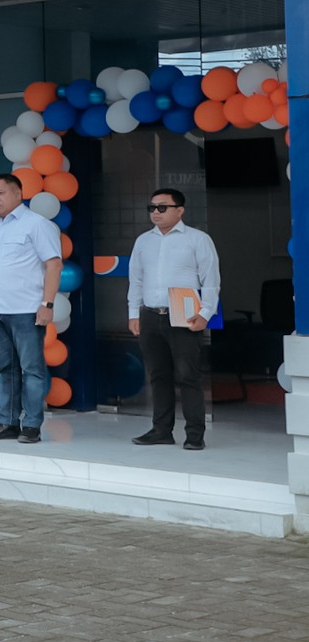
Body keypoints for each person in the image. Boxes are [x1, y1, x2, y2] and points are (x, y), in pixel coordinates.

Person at [127, 187, 221, 451]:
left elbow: (211, 281)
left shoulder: (198, 239)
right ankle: (161, 430)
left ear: (180, 210)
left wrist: (205, 314)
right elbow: (136, 280)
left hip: (183, 314)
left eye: (162, 207)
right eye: (152, 208)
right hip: (150, 313)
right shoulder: (143, 241)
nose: (155, 212)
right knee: (158, 374)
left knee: (188, 374)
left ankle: (194, 434)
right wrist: (134, 313)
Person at [0, 173, 63, 446]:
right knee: (5, 368)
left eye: (1, 193)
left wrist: (47, 304)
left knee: (32, 369)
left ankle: (32, 425)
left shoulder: (37, 224)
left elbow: (54, 264)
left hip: (25, 309)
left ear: (17, 194)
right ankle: (8, 422)